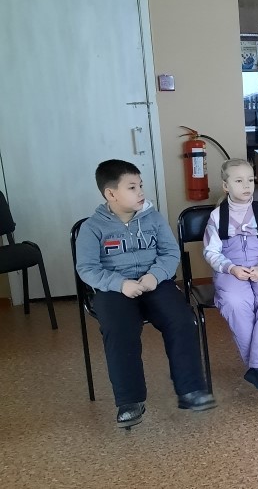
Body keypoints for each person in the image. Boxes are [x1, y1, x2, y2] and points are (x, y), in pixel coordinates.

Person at [75, 159, 215, 428]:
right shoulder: (92, 228)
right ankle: (130, 401)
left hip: (154, 283)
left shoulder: (153, 218)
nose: (141, 192)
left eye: (140, 185)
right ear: (111, 194)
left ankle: (190, 390)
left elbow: (170, 253)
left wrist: (155, 276)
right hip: (115, 289)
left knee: (182, 320)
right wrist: (120, 284)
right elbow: (87, 269)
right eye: (132, 187)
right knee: (119, 328)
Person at [203, 159, 258, 394]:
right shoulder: (217, 217)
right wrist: (231, 268)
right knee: (237, 301)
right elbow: (211, 252)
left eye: (250, 180)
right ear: (226, 186)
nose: (247, 185)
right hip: (231, 270)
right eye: (239, 181)